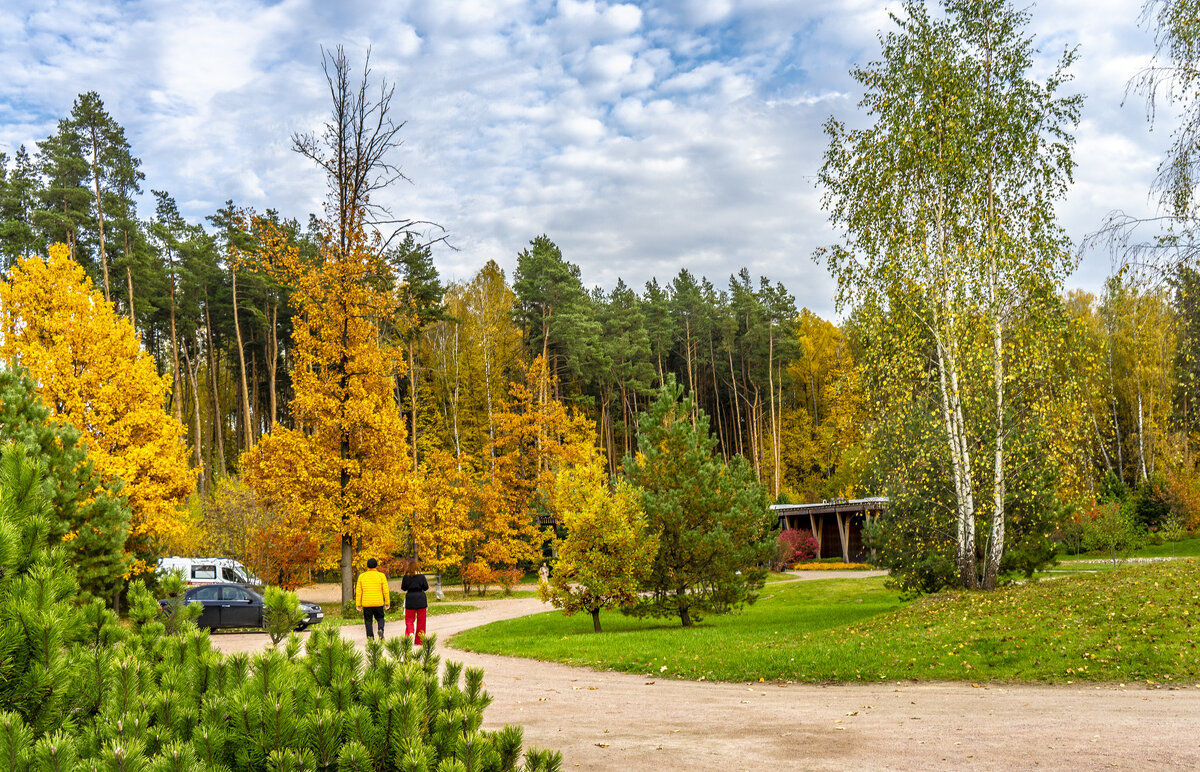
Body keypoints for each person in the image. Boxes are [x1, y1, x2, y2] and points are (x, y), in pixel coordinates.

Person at [355, 557, 390, 639]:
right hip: (378, 602)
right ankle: (380, 629)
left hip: (367, 603)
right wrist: (387, 602)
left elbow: (359, 592)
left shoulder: (362, 576)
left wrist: (358, 604)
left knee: (368, 621)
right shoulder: (381, 576)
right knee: (380, 618)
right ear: (376, 565)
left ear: (367, 566)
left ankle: (370, 638)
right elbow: (385, 590)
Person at [402, 558, 429, 645]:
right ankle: (419, 641)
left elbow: (403, 588)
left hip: (410, 599)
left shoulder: (406, 577)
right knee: (421, 621)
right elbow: (426, 587)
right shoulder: (421, 576)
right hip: (421, 599)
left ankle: (410, 632)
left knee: (409, 619)